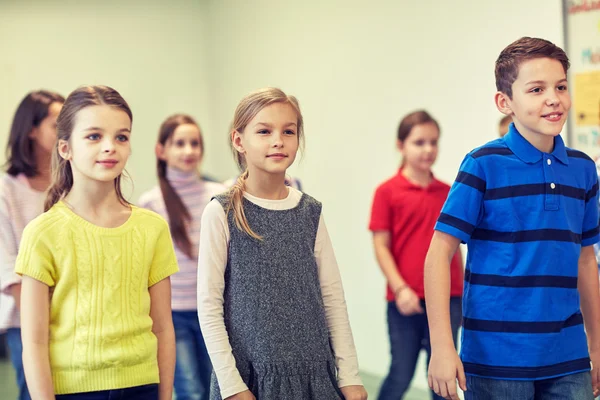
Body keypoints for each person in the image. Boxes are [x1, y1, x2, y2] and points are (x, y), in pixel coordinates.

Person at [425, 37, 600, 400]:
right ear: (505, 102)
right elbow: (439, 255)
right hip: (496, 359)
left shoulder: (584, 170)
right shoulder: (483, 165)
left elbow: (586, 260)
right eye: (536, 89)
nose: (553, 98)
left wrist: (596, 346)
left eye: (561, 87)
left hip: (568, 357)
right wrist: (443, 347)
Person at [197, 87, 367, 400]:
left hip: (314, 377)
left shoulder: (310, 211)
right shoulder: (220, 212)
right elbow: (209, 307)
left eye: (288, 131)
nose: (278, 140)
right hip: (251, 380)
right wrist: (233, 386)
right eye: (264, 131)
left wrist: (350, 375)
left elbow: (332, 298)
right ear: (239, 141)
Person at [16, 85, 179, 400]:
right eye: (94, 136)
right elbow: (34, 342)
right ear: (65, 148)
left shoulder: (152, 227)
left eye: (121, 136)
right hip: (72, 392)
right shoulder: (42, 232)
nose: (110, 147)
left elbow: (163, 329)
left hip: (142, 387)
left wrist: (165, 395)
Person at [369, 110, 463, 400]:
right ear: (401, 146)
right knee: (401, 372)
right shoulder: (387, 192)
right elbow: (381, 245)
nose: (428, 149)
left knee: (444, 376)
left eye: (433, 142)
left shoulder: (450, 192)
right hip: (404, 300)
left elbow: (456, 246)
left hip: (449, 298)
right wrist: (400, 289)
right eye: (419, 142)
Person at [139, 114, 226, 400]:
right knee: (190, 390)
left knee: (220, 386)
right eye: (179, 143)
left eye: (195, 143)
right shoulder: (150, 203)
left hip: (215, 309)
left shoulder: (220, 195)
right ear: (161, 150)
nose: (189, 151)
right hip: (173, 313)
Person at [0, 90, 64, 400]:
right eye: (56, 124)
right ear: (30, 129)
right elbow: (7, 264)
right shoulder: (5, 190)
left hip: (73, 317)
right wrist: (40, 319)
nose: (65, 131)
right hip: (24, 320)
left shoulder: (71, 184)